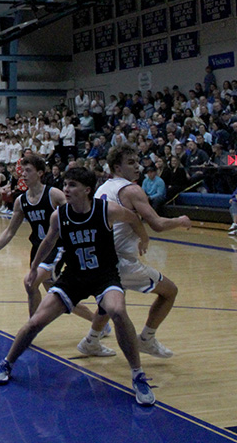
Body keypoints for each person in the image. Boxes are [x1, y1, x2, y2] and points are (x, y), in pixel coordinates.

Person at [0, 167, 156, 407]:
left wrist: (144, 237)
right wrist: (34, 268)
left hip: (104, 275)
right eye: (65, 184)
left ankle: (138, 375)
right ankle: (7, 362)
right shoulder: (59, 216)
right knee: (36, 321)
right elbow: (48, 241)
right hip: (73, 277)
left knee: (118, 312)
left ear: (87, 190)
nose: (66, 189)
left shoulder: (107, 210)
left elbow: (134, 218)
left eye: (72, 185)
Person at [0, 154, 110, 349]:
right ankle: (98, 322)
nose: (23, 174)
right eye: (21, 170)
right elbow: (9, 231)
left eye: (28, 170)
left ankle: (32, 328)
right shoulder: (21, 201)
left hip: (58, 248)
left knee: (30, 282)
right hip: (38, 249)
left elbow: (76, 213)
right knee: (58, 295)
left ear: (40, 173)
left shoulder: (54, 194)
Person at [78, 145, 191, 359]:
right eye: (130, 162)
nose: (137, 166)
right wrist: (180, 221)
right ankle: (147, 339)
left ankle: (90, 341)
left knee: (111, 299)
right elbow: (156, 223)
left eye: (137, 160)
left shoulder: (102, 188)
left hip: (99, 258)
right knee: (169, 292)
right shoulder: (131, 189)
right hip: (121, 260)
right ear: (117, 167)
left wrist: (142, 236)